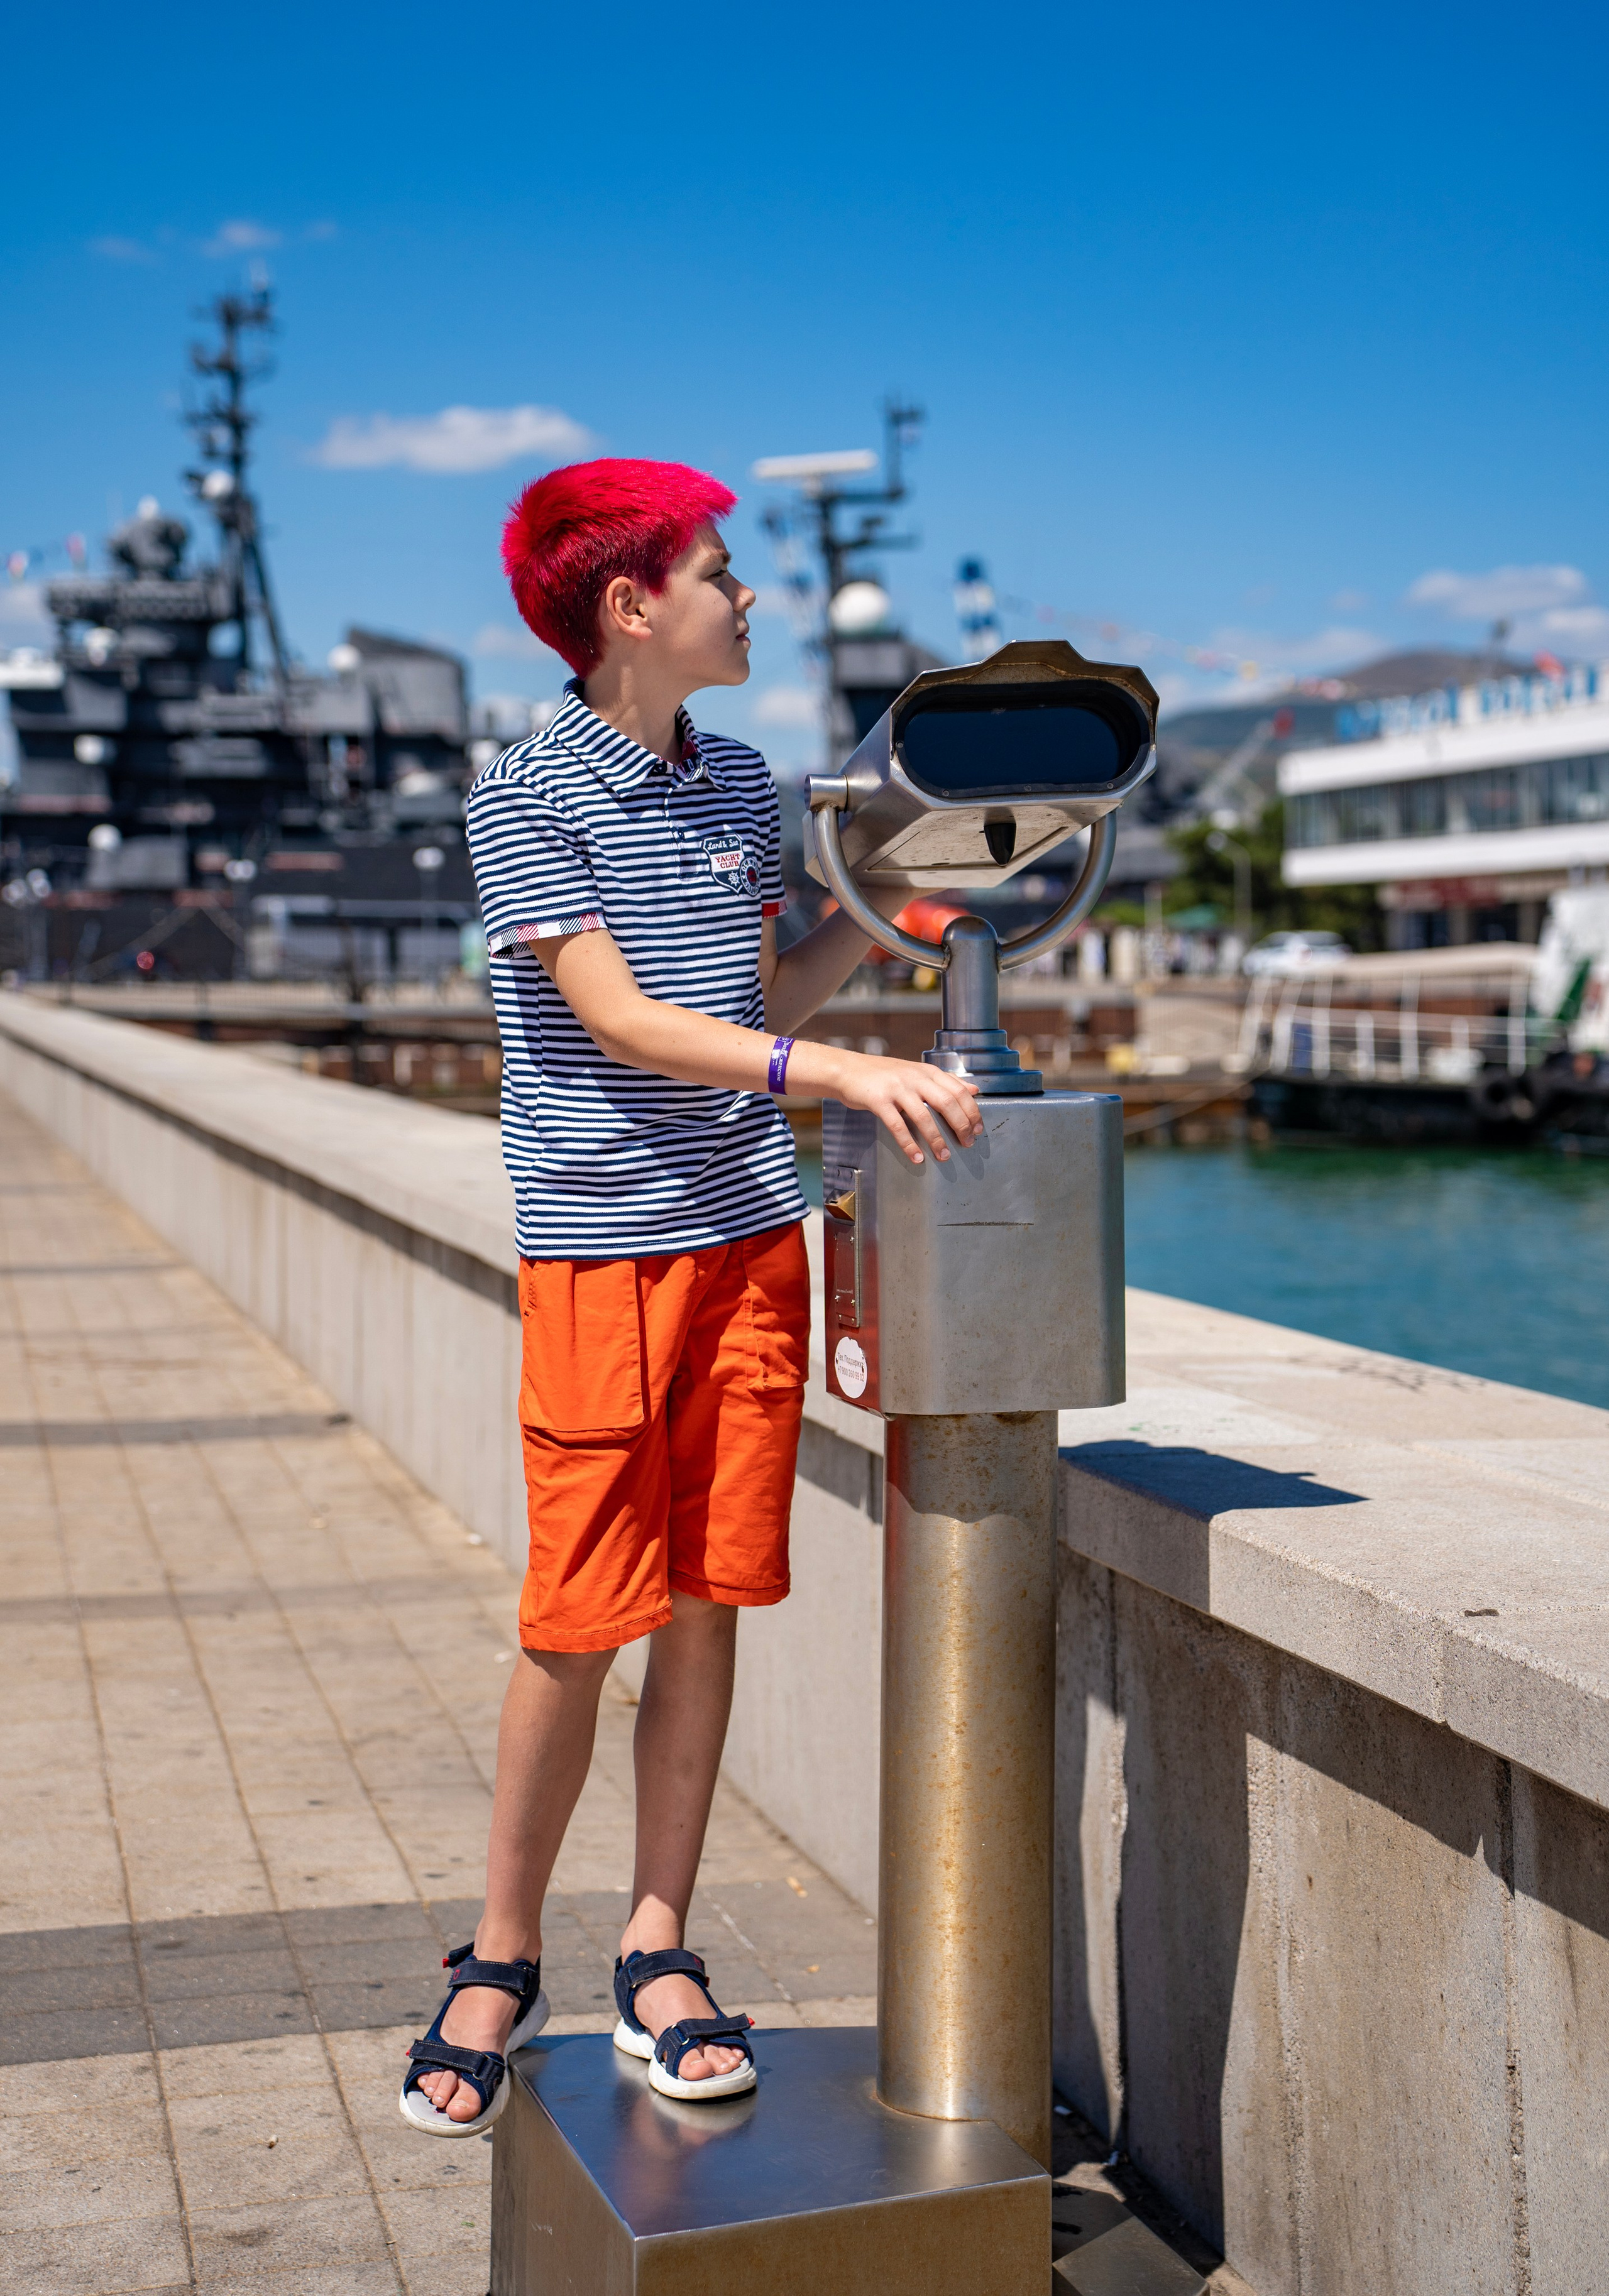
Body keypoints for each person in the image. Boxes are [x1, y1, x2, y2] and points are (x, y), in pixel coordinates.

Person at [400, 458, 980, 2135]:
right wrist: (843, 1071)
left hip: (747, 1245)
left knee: (712, 1599)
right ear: (631, 607)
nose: (752, 599)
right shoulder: (522, 794)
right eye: (723, 574)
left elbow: (761, 986)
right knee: (579, 1623)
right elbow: (623, 1024)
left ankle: (655, 1946)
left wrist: (894, 921)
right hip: (600, 1254)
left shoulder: (744, 786)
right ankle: (499, 1956)